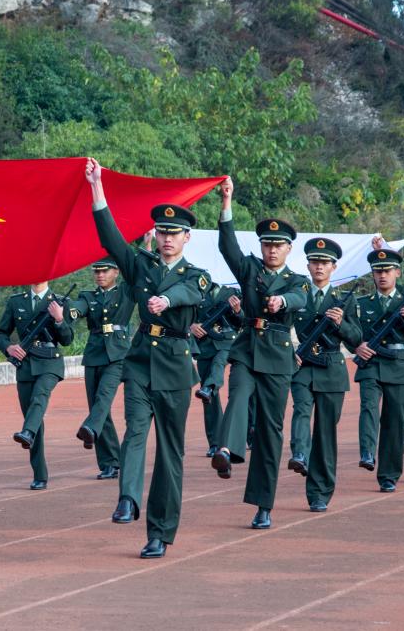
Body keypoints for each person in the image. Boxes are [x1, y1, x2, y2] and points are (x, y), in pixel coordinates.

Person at [86, 157, 207, 559]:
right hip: (139, 361)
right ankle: (127, 499)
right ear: (155, 235)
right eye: (162, 232)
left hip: (174, 366)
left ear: (187, 237)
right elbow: (111, 240)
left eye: (175, 233)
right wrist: (97, 187)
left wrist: (166, 300)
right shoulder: (141, 265)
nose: (167, 238)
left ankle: (160, 532)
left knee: (170, 453)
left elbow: (190, 293)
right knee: (135, 431)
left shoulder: (196, 274)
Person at [211, 177, 308, 529]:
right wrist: (226, 202)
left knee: (270, 431)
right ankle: (226, 450)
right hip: (247, 348)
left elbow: (300, 298)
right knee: (237, 394)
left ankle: (263, 505)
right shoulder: (250, 268)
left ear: (288, 249)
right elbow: (228, 247)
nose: (271, 250)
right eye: (267, 244)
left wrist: (282, 301)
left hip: (278, 358)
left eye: (278, 245)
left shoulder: (297, 280)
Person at [288, 237, 360, 512]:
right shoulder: (298, 295)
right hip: (303, 365)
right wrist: (289, 353)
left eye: (325, 263)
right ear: (308, 265)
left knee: (325, 433)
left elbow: (356, 339)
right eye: (315, 262)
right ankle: (300, 454)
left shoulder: (343, 301)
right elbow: (279, 328)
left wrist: (341, 324)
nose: (319, 267)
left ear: (333, 267)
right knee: (301, 410)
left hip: (331, 368)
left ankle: (320, 493)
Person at [353, 248, 404, 493]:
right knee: (369, 407)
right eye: (378, 271)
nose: (382, 275)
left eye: (387, 270)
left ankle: (388, 475)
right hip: (371, 362)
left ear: (397, 272)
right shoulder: (362, 303)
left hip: (398, 364)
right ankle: (367, 452)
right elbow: (352, 333)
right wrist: (356, 346)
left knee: (394, 421)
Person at [0, 282, 74, 490]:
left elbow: (67, 339)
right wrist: (9, 348)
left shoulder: (60, 301)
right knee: (32, 414)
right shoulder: (16, 302)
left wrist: (59, 319)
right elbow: (0, 334)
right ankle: (39, 474)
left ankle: (27, 432)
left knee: (40, 397)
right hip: (26, 364)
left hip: (50, 362)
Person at [69, 258, 132, 480]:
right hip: (94, 353)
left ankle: (89, 428)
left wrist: (146, 247)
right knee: (98, 407)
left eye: (105, 271)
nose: (100, 275)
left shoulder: (126, 291)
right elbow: (77, 309)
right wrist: (66, 311)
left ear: (116, 272)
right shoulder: (88, 296)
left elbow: (137, 272)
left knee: (103, 398)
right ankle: (110, 463)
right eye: (97, 272)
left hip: (118, 353)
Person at [191, 280, 240, 458]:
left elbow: (242, 322)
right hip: (204, 346)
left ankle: (210, 387)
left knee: (219, 365)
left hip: (227, 342)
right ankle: (215, 443)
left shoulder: (232, 291)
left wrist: (237, 310)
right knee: (208, 400)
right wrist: (191, 326)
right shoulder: (194, 291)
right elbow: (185, 316)